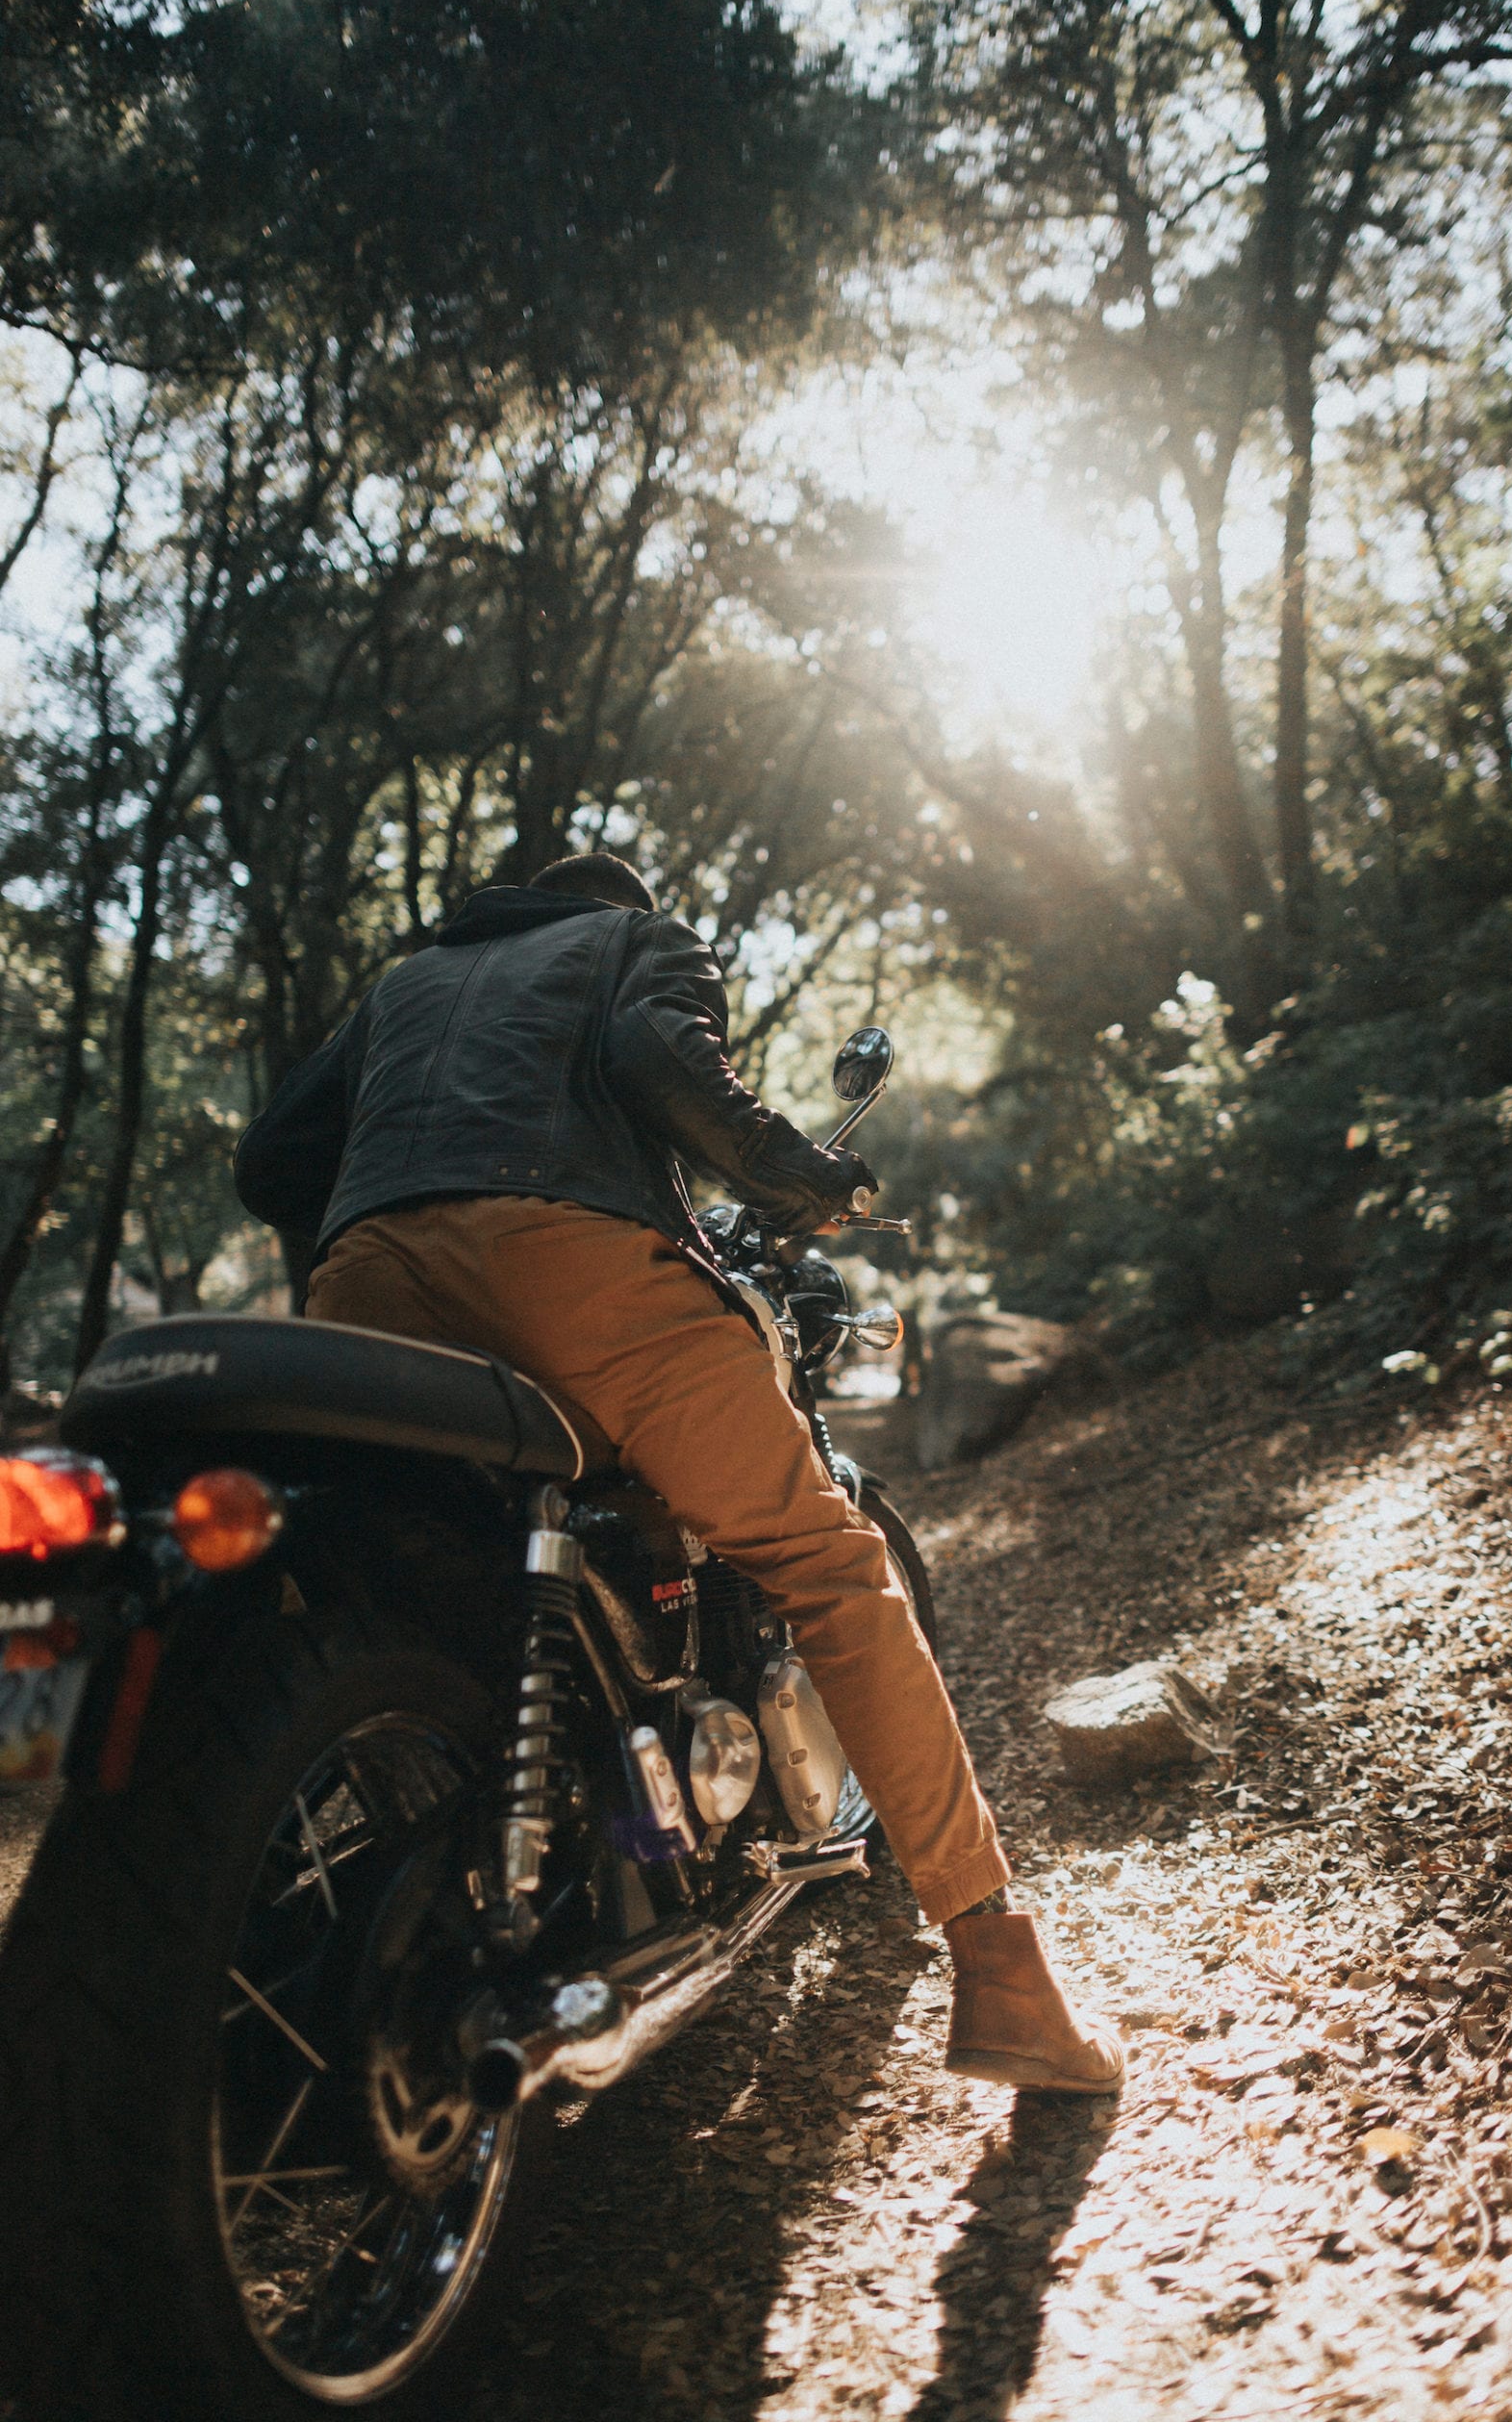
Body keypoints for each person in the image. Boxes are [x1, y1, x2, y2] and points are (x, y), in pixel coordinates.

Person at [235, 848, 1121, 2093]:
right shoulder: (630, 941)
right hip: (571, 1269)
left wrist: (380, 1221)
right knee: (829, 1566)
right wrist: (796, 1174)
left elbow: (270, 1159)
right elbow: (667, 1067)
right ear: (620, 906)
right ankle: (1001, 1975)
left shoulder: (403, 986)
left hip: (367, 1286)